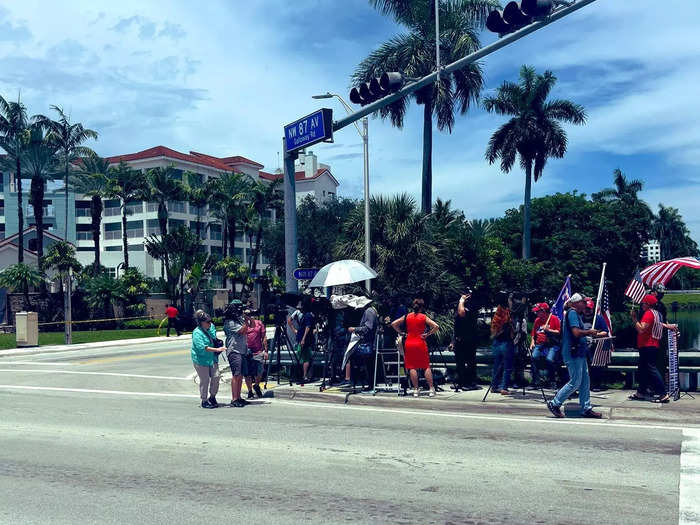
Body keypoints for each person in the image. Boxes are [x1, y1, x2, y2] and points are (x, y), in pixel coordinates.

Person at [547, 293, 606, 419]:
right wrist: (589, 332)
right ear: (576, 303)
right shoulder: (572, 313)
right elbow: (576, 332)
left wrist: (589, 336)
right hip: (573, 353)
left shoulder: (575, 314)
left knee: (585, 381)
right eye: (583, 301)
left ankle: (586, 407)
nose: (585, 304)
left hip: (578, 352)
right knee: (575, 381)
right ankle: (555, 403)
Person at [629, 294, 678, 403]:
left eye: (643, 303)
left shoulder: (648, 314)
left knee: (651, 368)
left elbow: (641, 329)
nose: (642, 305)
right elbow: (660, 324)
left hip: (647, 345)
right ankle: (640, 392)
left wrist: (634, 319)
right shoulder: (658, 314)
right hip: (653, 344)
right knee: (643, 369)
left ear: (648, 304)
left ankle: (663, 394)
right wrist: (669, 326)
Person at [392, 298, 439, 398]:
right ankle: (431, 389)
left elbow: (393, 324)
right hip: (420, 342)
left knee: (412, 367)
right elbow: (436, 326)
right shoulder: (423, 317)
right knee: (425, 366)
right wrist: (427, 334)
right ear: (422, 307)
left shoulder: (407, 316)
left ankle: (415, 390)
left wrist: (401, 333)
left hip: (409, 342)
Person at [343, 298, 379, 387]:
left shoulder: (368, 312)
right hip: (369, 341)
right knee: (367, 364)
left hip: (368, 342)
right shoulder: (371, 310)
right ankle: (368, 383)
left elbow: (368, 328)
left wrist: (355, 329)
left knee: (366, 364)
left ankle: (368, 383)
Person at [191, 310, 222, 409]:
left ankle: (212, 397)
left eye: (210, 321)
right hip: (201, 359)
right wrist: (217, 349)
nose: (210, 323)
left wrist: (217, 342)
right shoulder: (197, 333)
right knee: (205, 380)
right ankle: (204, 400)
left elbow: (214, 337)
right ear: (201, 322)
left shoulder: (211, 327)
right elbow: (202, 347)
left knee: (216, 377)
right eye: (207, 322)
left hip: (212, 358)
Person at [223, 301, 249, 407]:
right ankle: (234, 399)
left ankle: (238, 397)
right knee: (236, 374)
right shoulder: (230, 322)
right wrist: (246, 320)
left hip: (241, 350)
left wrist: (245, 318)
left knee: (240, 375)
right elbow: (243, 330)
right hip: (234, 351)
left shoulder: (238, 319)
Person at [529, 303, 561, 389]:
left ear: (543, 311)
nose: (537, 314)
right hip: (540, 344)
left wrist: (549, 330)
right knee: (534, 357)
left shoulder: (554, 319)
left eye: (538, 312)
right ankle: (536, 381)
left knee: (549, 360)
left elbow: (559, 332)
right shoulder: (537, 320)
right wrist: (532, 342)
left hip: (552, 344)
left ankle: (552, 380)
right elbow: (533, 333)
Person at [452, 293, 480, 390]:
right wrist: (453, 341)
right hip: (459, 339)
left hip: (469, 340)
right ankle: (460, 381)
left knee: (470, 362)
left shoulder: (472, 306)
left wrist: (461, 301)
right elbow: (456, 325)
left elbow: (462, 313)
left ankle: (470, 383)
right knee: (459, 362)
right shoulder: (459, 306)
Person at [582, 298, 610, 391]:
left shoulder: (598, 318)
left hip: (596, 346)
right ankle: (585, 384)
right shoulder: (580, 318)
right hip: (583, 345)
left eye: (589, 309)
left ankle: (596, 384)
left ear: (592, 309)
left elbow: (605, 332)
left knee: (595, 366)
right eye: (585, 309)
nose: (587, 311)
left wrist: (596, 334)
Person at [489, 295, 515, 395]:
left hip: (496, 342)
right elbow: (507, 324)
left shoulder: (497, 313)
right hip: (505, 341)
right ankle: (504, 387)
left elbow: (494, 329)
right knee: (507, 365)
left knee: (497, 365)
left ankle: (494, 386)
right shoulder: (507, 313)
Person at [244, 308, 268, 399]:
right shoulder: (243, 325)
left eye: (249, 314)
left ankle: (257, 385)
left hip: (257, 351)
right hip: (246, 351)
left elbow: (264, 337)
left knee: (259, 370)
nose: (248, 316)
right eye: (246, 315)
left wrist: (266, 351)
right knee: (247, 373)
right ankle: (250, 391)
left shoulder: (259, 323)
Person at [292, 296, 315, 383]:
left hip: (303, 339)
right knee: (305, 357)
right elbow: (307, 327)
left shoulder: (307, 315)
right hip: (303, 338)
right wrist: (303, 338)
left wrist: (303, 338)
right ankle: (304, 375)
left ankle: (304, 375)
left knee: (306, 358)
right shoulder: (308, 315)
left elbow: (307, 327)